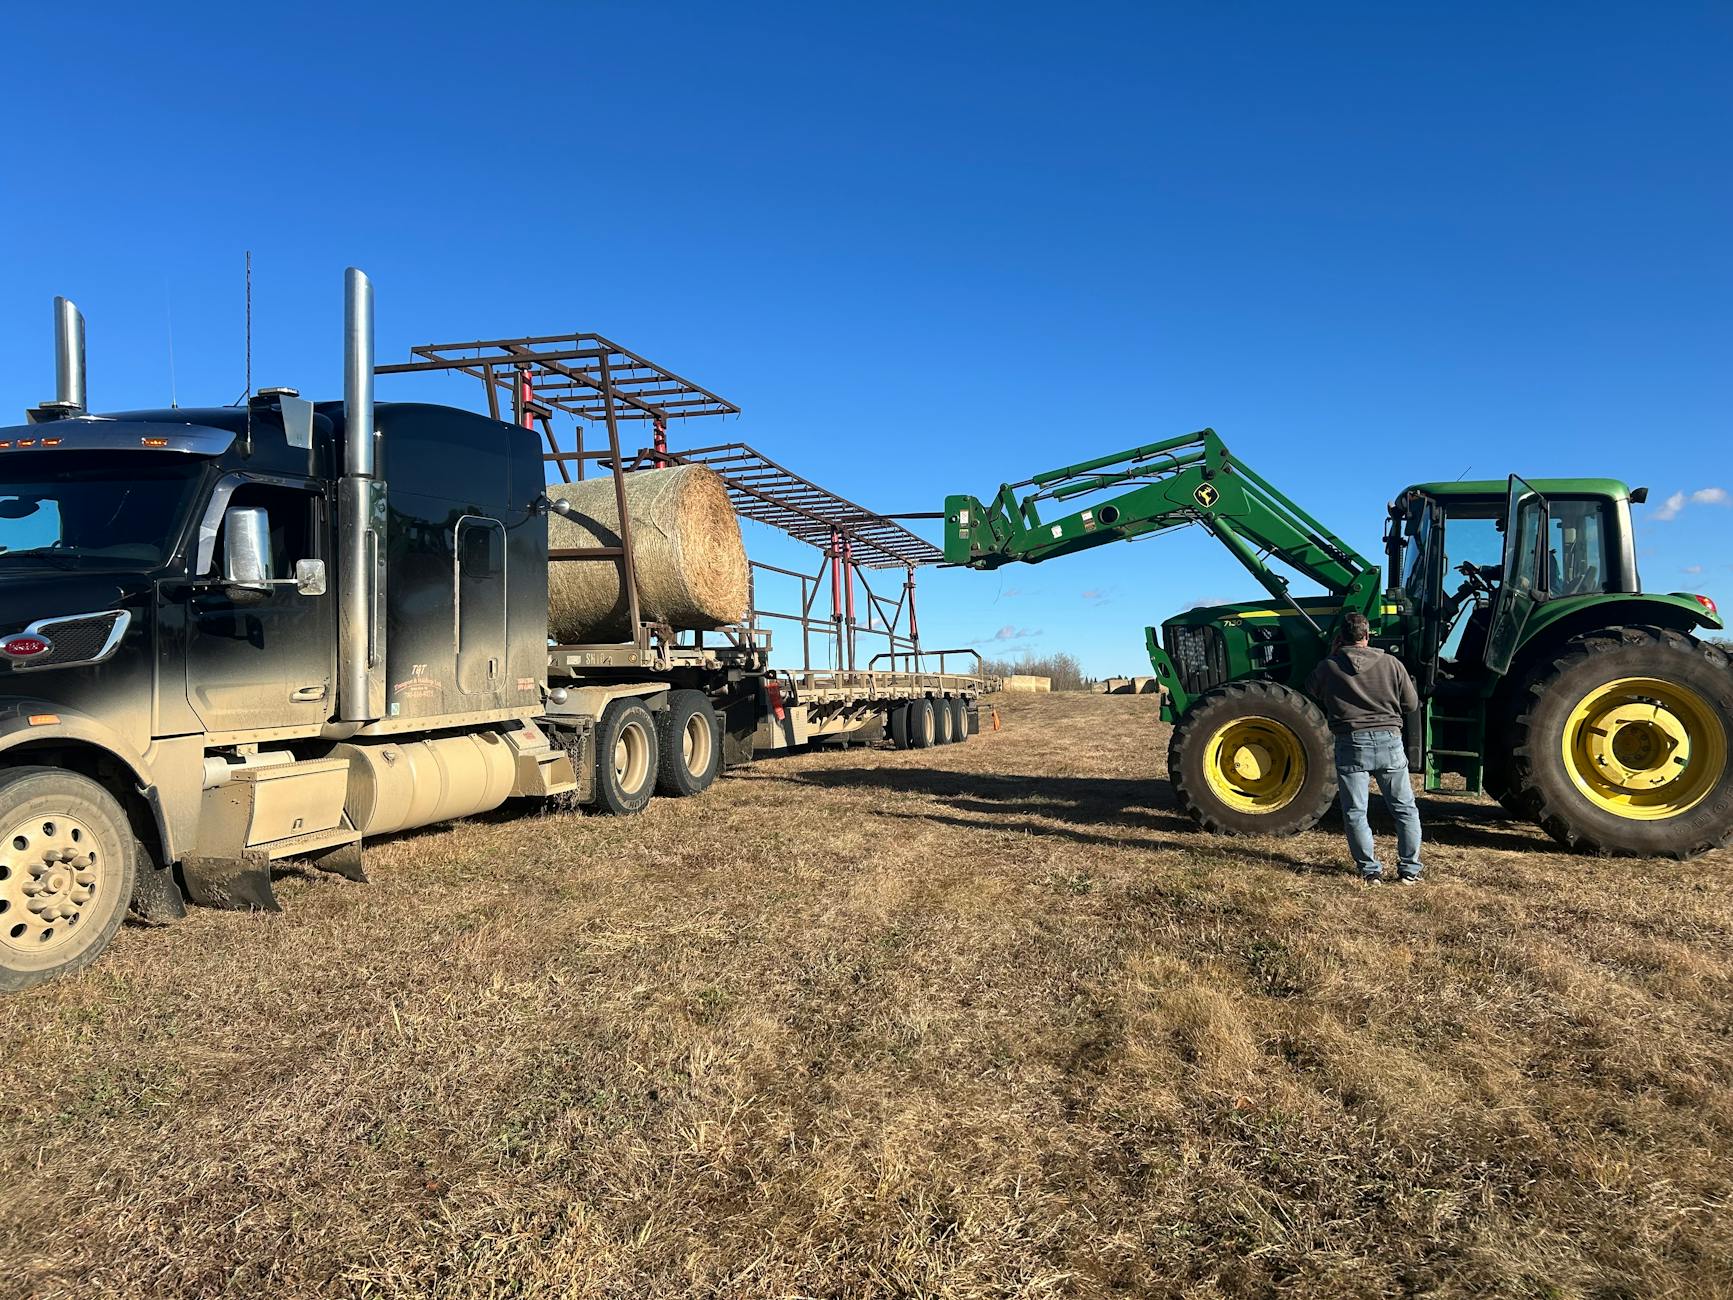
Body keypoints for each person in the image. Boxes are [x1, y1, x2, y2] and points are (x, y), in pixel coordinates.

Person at [1306, 611, 1424, 885]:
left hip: (1351, 742)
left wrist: (1331, 655)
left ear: (1340, 639)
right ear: (1368, 635)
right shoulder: (1392, 664)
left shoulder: (1329, 667)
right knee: (1405, 809)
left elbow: (1312, 689)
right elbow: (1410, 703)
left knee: (1356, 811)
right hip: (1389, 741)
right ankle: (1409, 870)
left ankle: (1370, 871)